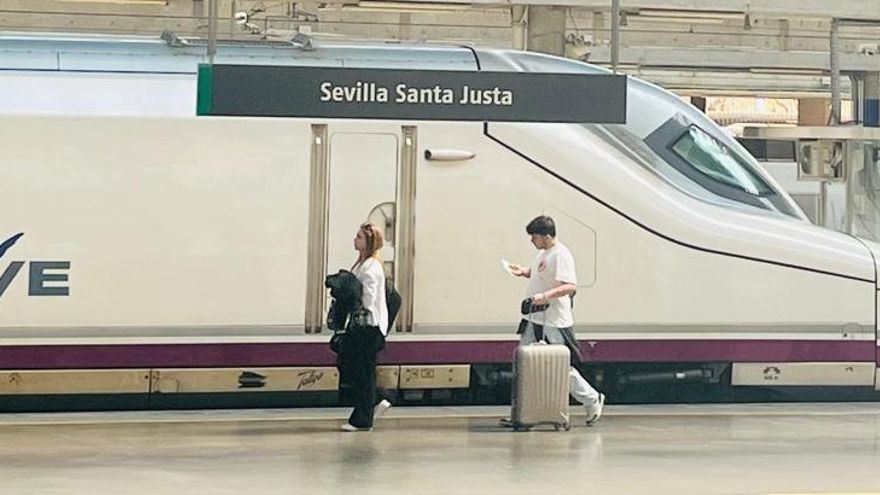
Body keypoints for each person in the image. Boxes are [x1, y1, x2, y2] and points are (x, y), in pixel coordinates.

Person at [508, 215, 605, 426]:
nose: (531, 241)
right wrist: (524, 272)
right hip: (534, 317)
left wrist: (544, 297)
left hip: (553, 321)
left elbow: (570, 286)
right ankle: (523, 413)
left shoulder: (561, 254)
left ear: (545, 236)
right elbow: (541, 275)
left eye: (534, 236)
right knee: (524, 363)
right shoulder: (544, 253)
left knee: (557, 366)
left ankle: (591, 398)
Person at [339, 222, 393, 432]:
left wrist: (358, 305)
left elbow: (369, 297)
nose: (355, 239)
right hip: (364, 326)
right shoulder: (364, 264)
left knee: (361, 371)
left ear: (368, 243)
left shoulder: (370, 267)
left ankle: (363, 417)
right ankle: (374, 403)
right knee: (360, 369)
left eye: (359, 237)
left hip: (368, 326)